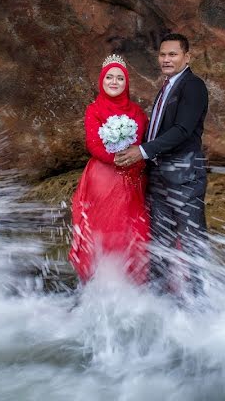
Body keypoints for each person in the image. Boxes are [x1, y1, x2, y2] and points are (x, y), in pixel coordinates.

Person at [114, 33, 209, 295]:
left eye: (173, 54)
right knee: (160, 240)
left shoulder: (193, 86)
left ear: (186, 57)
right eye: (162, 54)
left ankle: (200, 302)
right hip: (158, 175)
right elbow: (158, 129)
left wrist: (142, 151)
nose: (166, 59)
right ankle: (159, 299)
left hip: (184, 175)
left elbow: (182, 130)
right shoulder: (167, 86)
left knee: (192, 239)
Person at [69, 55, 150, 284]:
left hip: (131, 178)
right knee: (102, 227)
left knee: (129, 227)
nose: (114, 82)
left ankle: (129, 280)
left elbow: (143, 143)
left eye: (120, 78)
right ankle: (98, 279)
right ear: (102, 80)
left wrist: (133, 161)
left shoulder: (137, 112)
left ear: (127, 83)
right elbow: (93, 144)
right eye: (110, 77)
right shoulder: (94, 109)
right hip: (103, 178)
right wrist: (118, 159)